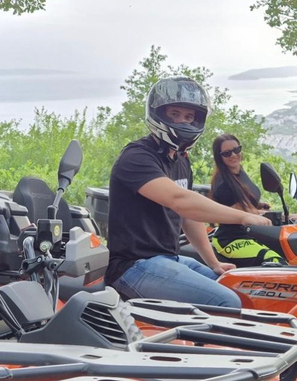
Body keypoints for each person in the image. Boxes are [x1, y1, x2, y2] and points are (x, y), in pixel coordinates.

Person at [104, 76, 271, 308]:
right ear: (158, 114)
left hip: (169, 258)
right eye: (174, 114)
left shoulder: (181, 160)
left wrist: (214, 263)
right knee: (226, 301)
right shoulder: (137, 156)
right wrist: (243, 216)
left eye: (189, 116)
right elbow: (180, 200)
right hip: (133, 266)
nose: (182, 121)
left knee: (241, 288)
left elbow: (188, 216)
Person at [209, 134, 285, 267]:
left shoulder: (239, 172)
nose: (233, 155)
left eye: (236, 150)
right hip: (232, 239)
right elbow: (244, 213)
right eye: (227, 153)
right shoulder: (223, 184)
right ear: (219, 157)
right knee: (274, 261)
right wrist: (281, 217)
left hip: (251, 234)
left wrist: (260, 205)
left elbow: (246, 200)